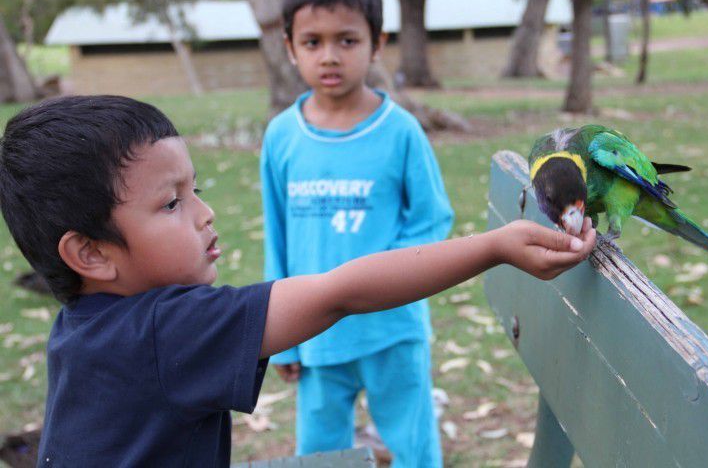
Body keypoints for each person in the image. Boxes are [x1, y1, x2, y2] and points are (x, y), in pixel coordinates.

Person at [0, 95, 595, 466]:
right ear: (90, 254)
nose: (205, 213)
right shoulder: (167, 329)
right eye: (171, 204)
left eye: (196, 190)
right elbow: (340, 291)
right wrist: (492, 247)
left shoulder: (81, 327)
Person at [260, 0, 453, 465]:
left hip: (392, 327)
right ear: (289, 47)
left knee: (414, 446)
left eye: (347, 40)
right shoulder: (282, 136)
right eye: (312, 41)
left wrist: (383, 279)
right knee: (320, 452)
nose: (330, 56)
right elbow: (276, 237)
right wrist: (279, 335)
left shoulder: (401, 131)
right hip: (314, 327)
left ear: (376, 43)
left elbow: (433, 220)